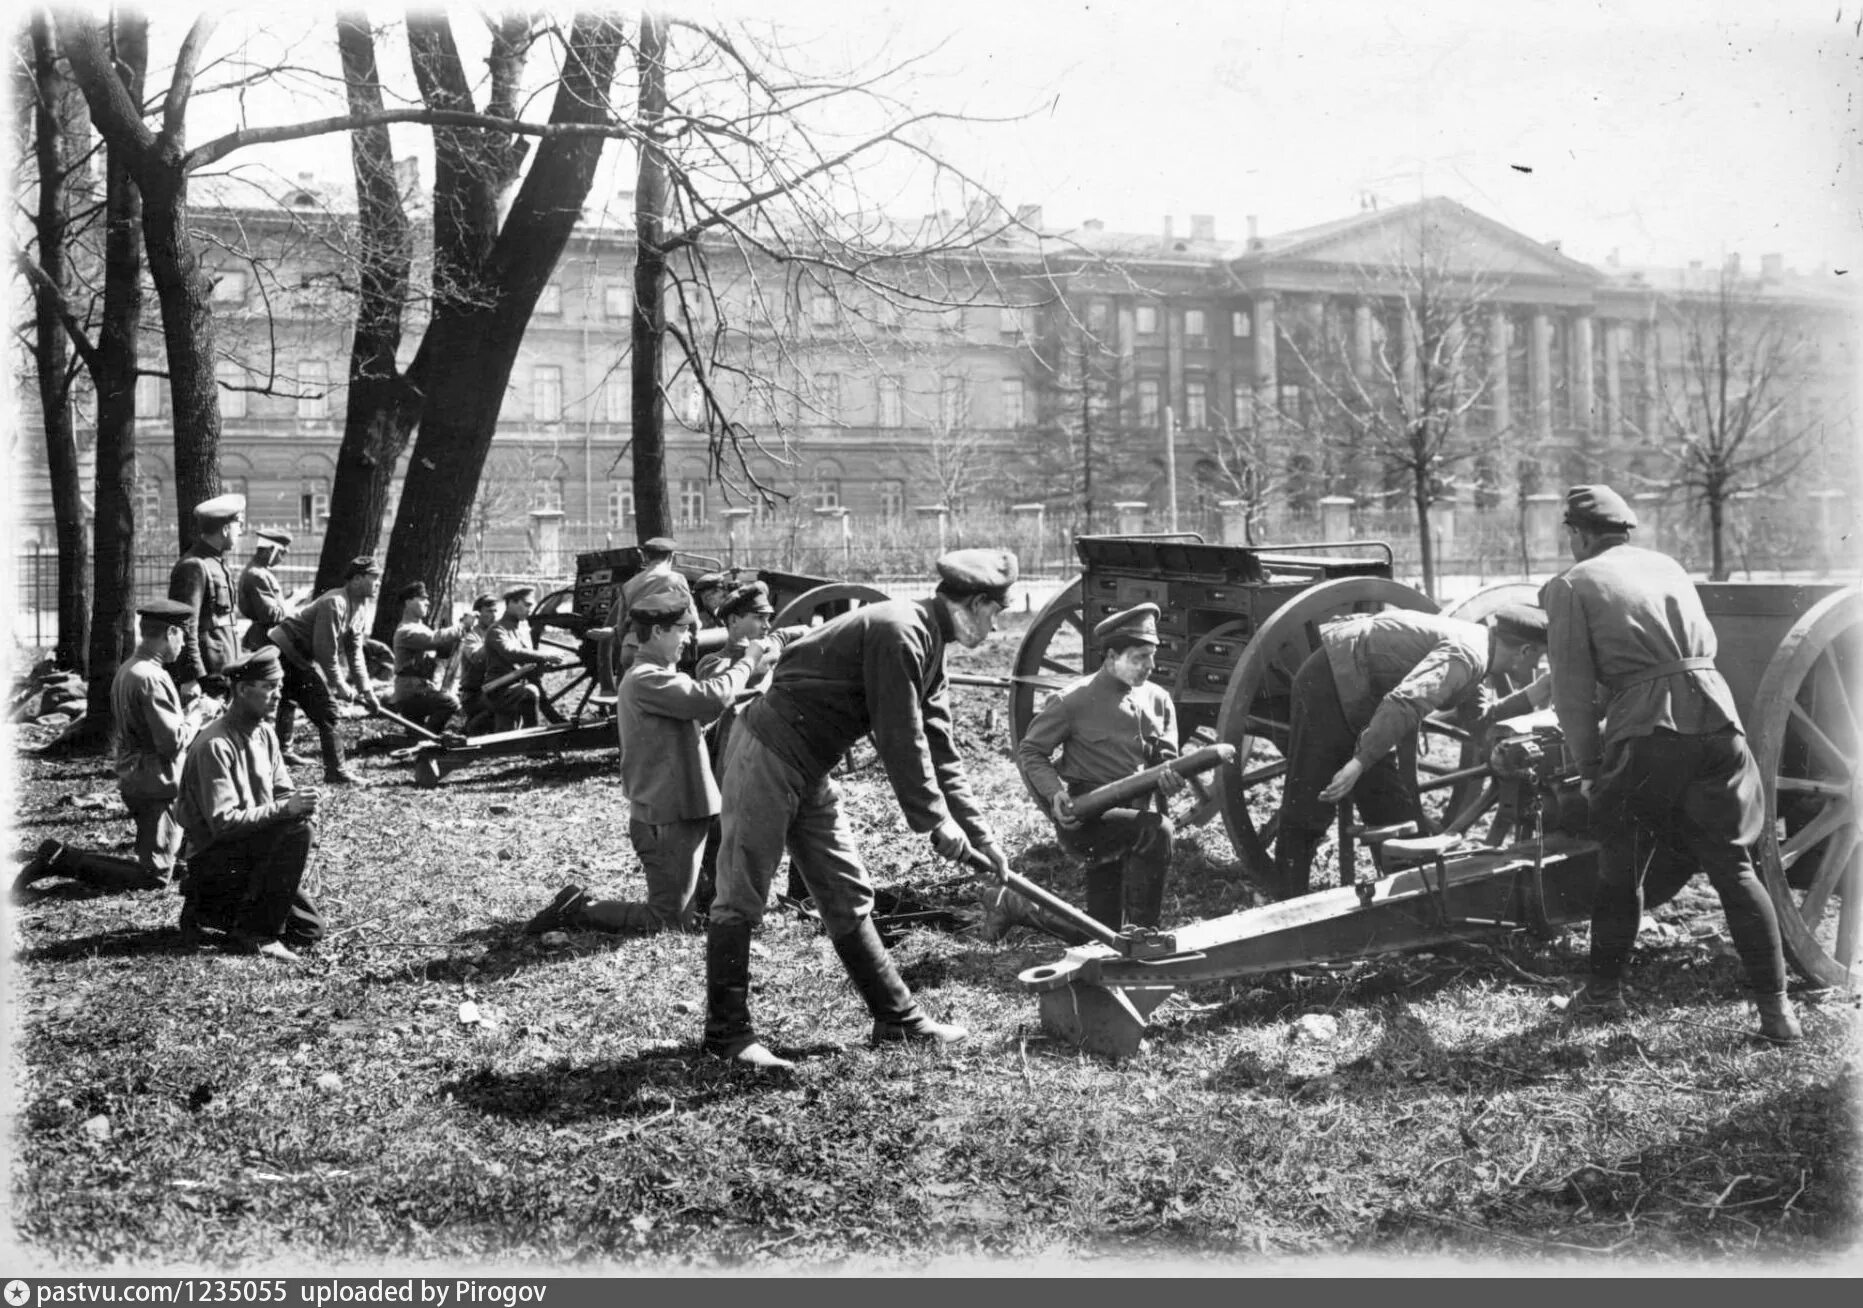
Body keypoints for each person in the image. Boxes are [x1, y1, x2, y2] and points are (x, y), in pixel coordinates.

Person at [702, 548, 1018, 1069]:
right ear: (977, 602)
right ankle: (726, 1036)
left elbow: (940, 747)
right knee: (741, 894)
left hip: (809, 763)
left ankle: (897, 1018)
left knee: (846, 892)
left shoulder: (928, 641)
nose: (994, 624)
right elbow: (902, 738)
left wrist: (981, 836)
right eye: (996, 612)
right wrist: (935, 823)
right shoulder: (900, 631)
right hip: (768, 750)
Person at [1541, 484, 1801, 1043]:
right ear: (1625, 529)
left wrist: (1588, 768)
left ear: (1579, 534)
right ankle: (1776, 1012)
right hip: (1718, 721)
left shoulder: (1570, 585)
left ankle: (1604, 993)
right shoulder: (1668, 566)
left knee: (1621, 864)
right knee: (1733, 867)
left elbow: (1571, 691)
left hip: (1646, 732)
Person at [525, 591, 767, 937]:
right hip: (668, 818)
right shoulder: (647, 678)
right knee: (667, 920)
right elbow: (710, 698)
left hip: (680, 811)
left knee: (691, 908)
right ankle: (579, 910)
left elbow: (695, 715)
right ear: (657, 632)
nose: (689, 639)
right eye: (682, 630)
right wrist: (750, 659)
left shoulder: (659, 675)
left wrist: (742, 692)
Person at [1271, 603, 1549, 900]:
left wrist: (1534, 695)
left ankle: (1410, 905)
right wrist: (1360, 761)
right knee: (1311, 802)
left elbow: (1480, 722)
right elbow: (1404, 703)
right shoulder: (1467, 655)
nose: (1535, 669)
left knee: (1390, 808)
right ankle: (1285, 905)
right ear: (1525, 652)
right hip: (1330, 680)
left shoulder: (1480, 647)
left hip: (1362, 694)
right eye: (1538, 659)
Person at [1015, 603, 1187, 934]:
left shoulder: (1159, 700)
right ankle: (1145, 935)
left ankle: (1016, 907)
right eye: (1139, 657)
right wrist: (1055, 795)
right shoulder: (1073, 701)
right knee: (1158, 831)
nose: (1150, 666)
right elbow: (1032, 750)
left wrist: (1170, 778)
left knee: (1099, 934)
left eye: (1152, 656)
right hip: (1087, 818)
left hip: (1133, 814)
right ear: (1110, 658)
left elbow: (1167, 760)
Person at [13, 599, 201, 897]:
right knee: (154, 877)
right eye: (184, 637)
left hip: (140, 776)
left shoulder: (131, 668)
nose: (184, 645)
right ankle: (63, 858)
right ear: (171, 633)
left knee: (166, 861)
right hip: (156, 782)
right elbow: (171, 742)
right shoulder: (153, 677)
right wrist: (198, 716)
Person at [173, 647, 326, 962]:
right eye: (270, 688)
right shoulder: (215, 745)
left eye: (279, 688)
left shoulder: (265, 734)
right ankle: (254, 933)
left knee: (310, 930)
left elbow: (283, 791)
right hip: (216, 859)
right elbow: (224, 823)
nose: (277, 696)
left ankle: (212, 914)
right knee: (297, 832)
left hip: (250, 851)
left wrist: (301, 804)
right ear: (242, 690)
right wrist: (286, 811)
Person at [266, 557, 384, 784]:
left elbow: (355, 652)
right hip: (282, 649)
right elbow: (325, 650)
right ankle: (336, 770)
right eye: (374, 578)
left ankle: (284, 751)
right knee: (328, 709)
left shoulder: (360, 606)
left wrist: (367, 691)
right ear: (357, 580)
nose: (377, 583)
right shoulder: (335, 602)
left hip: (296, 654)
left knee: (289, 699)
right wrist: (339, 684)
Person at [168, 492, 245, 704]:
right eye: (239, 523)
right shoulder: (194, 565)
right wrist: (190, 676)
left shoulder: (216, 562)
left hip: (224, 665)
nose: (241, 530)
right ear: (225, 528)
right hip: (207, 672)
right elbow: (184, 625)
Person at [237, 527, 304, 763]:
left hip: (269, 639)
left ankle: (280, 748)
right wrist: (294, 600)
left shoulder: (260, 572)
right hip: (268, 640)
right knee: (273, 693)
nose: (283, 558)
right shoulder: (257, 575)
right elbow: (271, 614)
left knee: (282, 692)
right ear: (271, 550)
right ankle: (274, 749)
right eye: (282, 553)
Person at [388, 582, 468, 735]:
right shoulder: (406, 630)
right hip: (411, 693)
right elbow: (434, 639)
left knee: (413, 734)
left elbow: (440, 648)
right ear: (408, 602)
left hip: (420, 689)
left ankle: (421, 741)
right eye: (422, 598)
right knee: (450, 703)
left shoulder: (420, 627)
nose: (428, 602)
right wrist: (461, 627)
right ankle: (429, 738)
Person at [482, 585, 566, 731]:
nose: (529, 609)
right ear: (512, 603)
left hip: (516, 688)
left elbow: (527, 657)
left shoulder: (522, 630)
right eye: (526, 605)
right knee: (530, 691)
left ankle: (532, 742)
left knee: (531, 691)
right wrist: (545, 655)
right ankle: (533, 744)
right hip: (498, 690)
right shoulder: (497, 630)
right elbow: (510, 652)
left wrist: (541, 663)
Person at [610, 537, 690, 676]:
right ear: (672, 556)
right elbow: (691, 617)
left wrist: (629, 642)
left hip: (630, 647)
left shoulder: (629, 585)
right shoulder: (676, 580)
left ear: (645, 557)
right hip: (660, 650)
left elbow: (621, 625)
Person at [453, 594, 501, 733]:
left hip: (492, 689)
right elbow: (477, 658)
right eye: (489, 611)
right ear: (478, 614)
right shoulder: (471, 636)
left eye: (495, 611)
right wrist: (494, 642)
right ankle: (469, 729)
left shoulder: (497, 633)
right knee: (504, 701)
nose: (493, 616)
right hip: (473, 695)